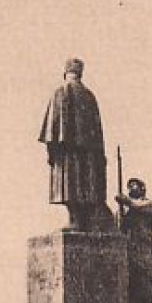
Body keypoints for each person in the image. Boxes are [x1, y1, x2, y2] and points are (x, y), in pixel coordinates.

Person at [39, 58, 112, 231]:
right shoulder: (90, 96)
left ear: (65, 72)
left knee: (70, 185)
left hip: (67, 154)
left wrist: (51, 153)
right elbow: (98, 133)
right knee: (85, 185)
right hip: (89, 156)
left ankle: (74, 220)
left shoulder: (60, 92)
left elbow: (52, 131)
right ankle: (82, 221)